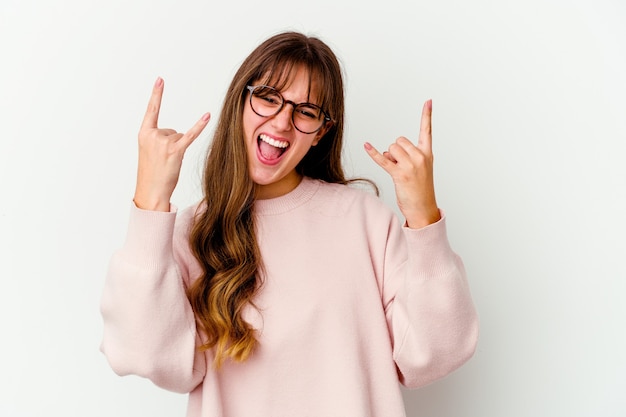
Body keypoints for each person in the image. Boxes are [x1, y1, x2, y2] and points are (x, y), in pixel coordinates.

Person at [100, 31, 479, 417]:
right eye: (267, 97)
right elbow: (142, 354)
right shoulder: (191, 232)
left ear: (321, 133)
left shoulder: (365, 222)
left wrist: (424, 216)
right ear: (241, 102)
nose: (282, 122)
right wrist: (149, 201)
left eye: (306, 111)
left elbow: (434, 354)